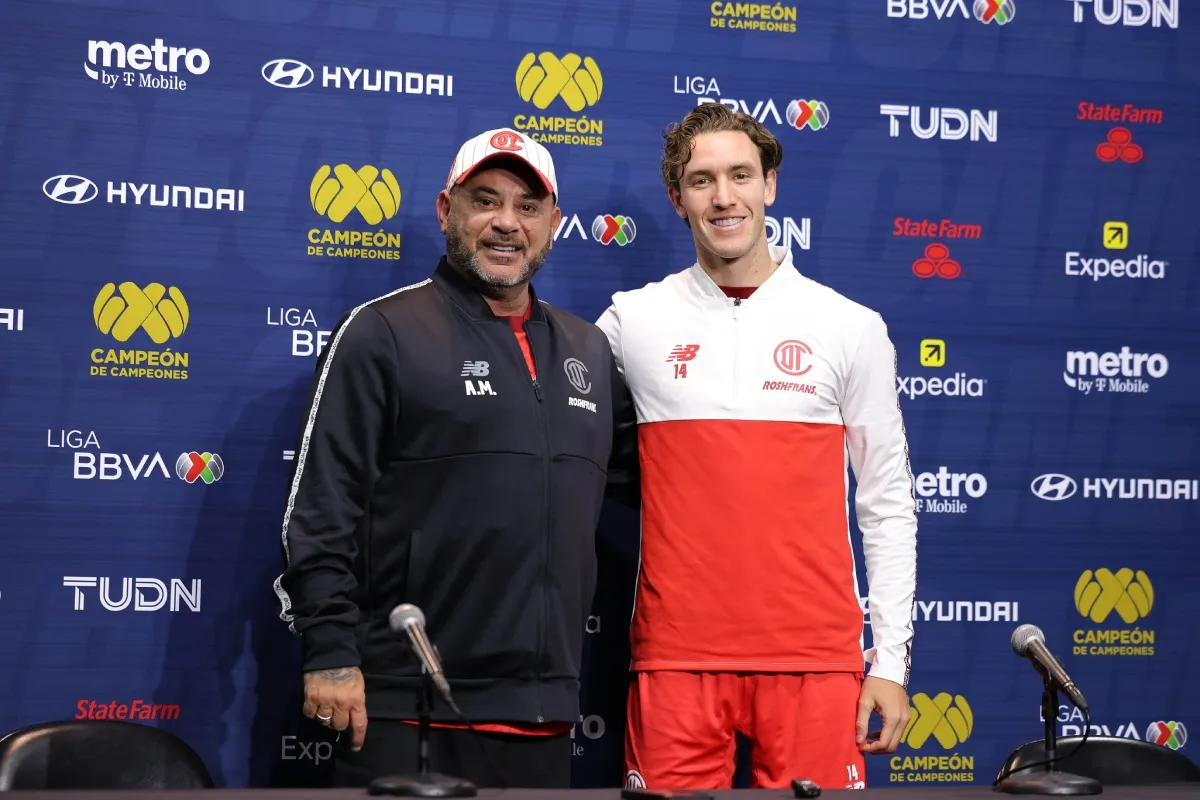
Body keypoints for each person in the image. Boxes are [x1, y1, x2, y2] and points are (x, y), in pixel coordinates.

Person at [273, 127, 638, 789]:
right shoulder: (383, 332)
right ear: (447, 210)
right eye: (485, 200)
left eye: (528, 206)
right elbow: (321, 508)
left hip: (544, 712)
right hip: (401, 704)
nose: (506, 222)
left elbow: (658, 486)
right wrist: (330, 653)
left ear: (554, 225)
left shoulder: (588, 350)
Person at [595, 102, 918, 791]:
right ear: (677, 198)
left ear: (769, 184)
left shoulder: (849, 325)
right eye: (702, 180)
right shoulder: (631, 321)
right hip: (676, 656)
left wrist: (889, 662)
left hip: (815, 660)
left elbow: (887, 502)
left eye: (740, 175)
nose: (724, 197)